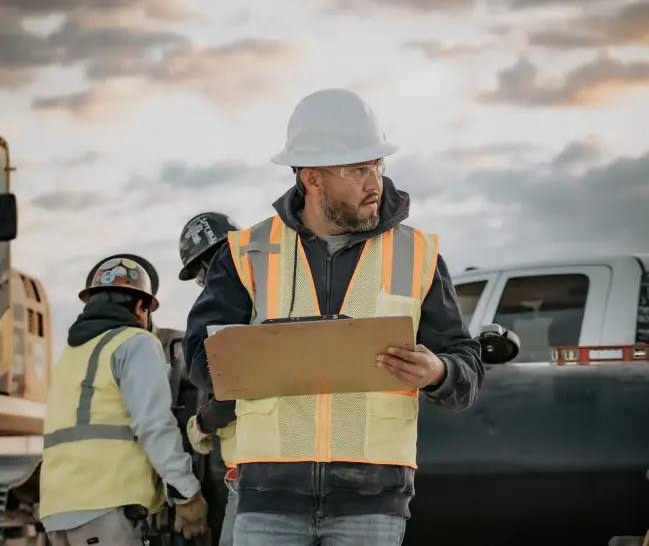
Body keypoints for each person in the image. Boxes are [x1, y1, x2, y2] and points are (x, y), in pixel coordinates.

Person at [182, 88, 485, 546]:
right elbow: (200, 360)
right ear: (312, 178)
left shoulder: (417, 254)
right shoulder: (245, 253)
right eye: (356, 169)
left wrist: (439, 371)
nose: (374, 183)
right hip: (268, 496)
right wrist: (255, 355)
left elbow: (466, 366)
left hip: (373, 498)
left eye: (376, 165)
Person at [39, 255, 208, 545]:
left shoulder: (71, 356)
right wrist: (186, 492)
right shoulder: (135, 342)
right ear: (141, 307)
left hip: (58, 513)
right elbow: (154, 425)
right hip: (108, 509)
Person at [177, 211, 241, 546]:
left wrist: (201, 423)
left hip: (254, 478)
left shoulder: (233, 305)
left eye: (201, 277)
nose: (204, 284)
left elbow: (235, 391)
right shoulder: (273, 287)